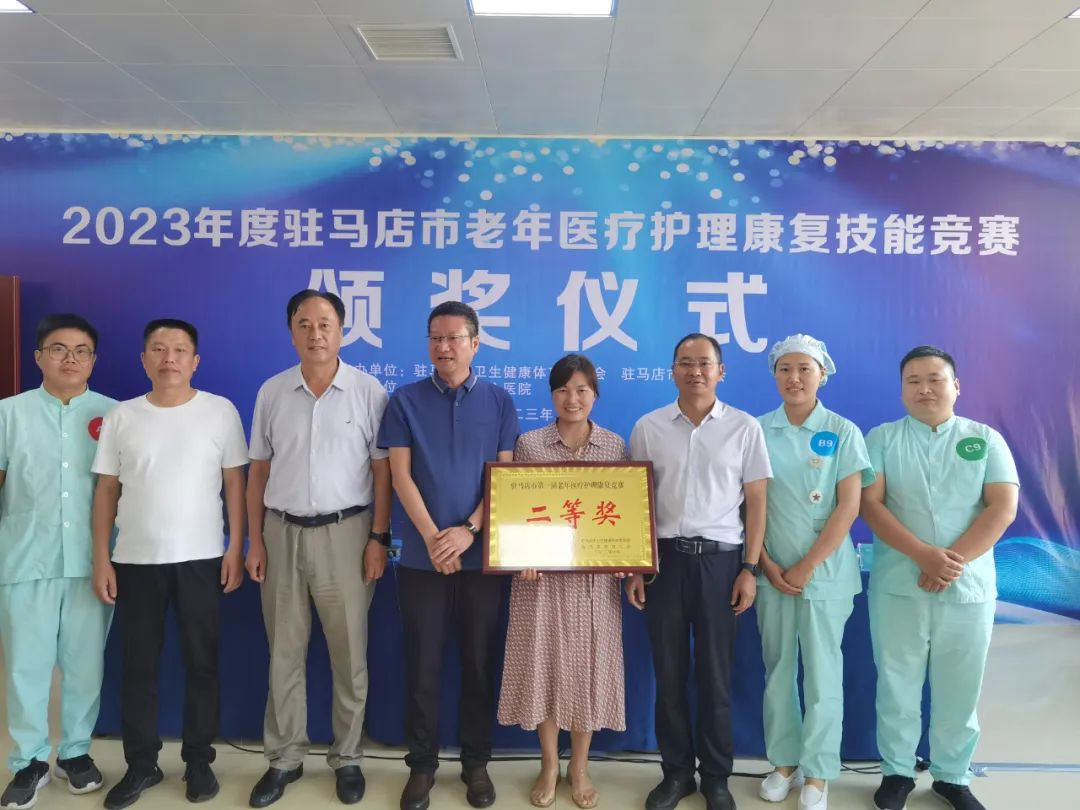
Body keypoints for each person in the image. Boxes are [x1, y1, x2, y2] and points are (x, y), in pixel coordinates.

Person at [91, 319, 247, 809]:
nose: (169, 358)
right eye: (158, 349)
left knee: (202, 664)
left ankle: (199, 761)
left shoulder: (219, 411)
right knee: (138, 668)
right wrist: (102, 558)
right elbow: (106, 490)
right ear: (144, 360)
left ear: (195, 361)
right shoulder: (122, 416)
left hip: (202, 558)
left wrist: (236, 547)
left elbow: (235, 484)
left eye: (179, 350)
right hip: (135, 560)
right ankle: (142, 765)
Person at [246, 290, 392, 808]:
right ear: (291, 332)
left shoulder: (368, 391)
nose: (315, 334)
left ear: (342, 330)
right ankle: (284, 758)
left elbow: (382, 473)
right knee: (284, 652)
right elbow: (258, 470)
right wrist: (254, 540)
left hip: (347, 534)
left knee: (349, 652)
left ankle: (347, 756)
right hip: (280, 532)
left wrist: (378, 538)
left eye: (325, 323)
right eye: (304, 324)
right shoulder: (272, 391)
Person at [861, 346, 1018, 810]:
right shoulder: (882, 439)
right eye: (913, 381)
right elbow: (870, 504)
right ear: (902, 390)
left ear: (956, 386)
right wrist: (922, 556)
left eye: (935, 379)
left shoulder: (985, 439)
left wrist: (951, 563)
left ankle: (952, 776)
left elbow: (1002, 507)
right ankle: (897, 772)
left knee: (961, 685)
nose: (924, 389)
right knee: (897, 682)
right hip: (899, 584)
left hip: (968, 588)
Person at [377, 301, 519, 810]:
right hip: (421, 560)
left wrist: (468, 531)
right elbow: (399, 475)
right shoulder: (404, 400)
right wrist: (436, 538)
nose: (444, 347)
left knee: (479, 664)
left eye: (454, 338)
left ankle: (476, 764)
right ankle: (422, 767)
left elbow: (504, 477)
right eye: (435, 337)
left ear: (475, 344)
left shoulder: (500, 402)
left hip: (482, 560)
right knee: (423, 665)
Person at [626, 332, 771, 810]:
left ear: (720, 371)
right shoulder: (648, 427)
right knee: (668, 675)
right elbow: (636, 501)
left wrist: (749, 568)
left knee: (715, 677)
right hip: (664, 563)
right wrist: (635, 567)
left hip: (721, 563)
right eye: (685, 362)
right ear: (672, 370)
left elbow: (757, 503)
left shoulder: (744, 427)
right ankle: (675, 774)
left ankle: (715, 777)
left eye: (704, 363)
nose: (695, 371)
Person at [497, 354, 628, 810]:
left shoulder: (614, 446)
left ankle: (581, 766)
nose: (572, 399)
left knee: (589, 667)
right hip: (540, 580)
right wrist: (520, 556)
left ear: (595, 395)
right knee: (544, 665)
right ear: (551, 394)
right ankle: (550, 764)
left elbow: (623, 516)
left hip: (594, 582)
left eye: (581, 390)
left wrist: (625, 558)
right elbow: (515, 510)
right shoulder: (529, 445)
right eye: (562, 390)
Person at [0, 314, 115, 810]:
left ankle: (75, 753)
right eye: (59, 349)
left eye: (81, 350)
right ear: (38, 357)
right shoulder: (9, 414)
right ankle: (27, 761)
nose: (71, 359)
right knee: (25, 668)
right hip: (24, 559)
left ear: (94, 359)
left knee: (85, 666)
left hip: (93, 563)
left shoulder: (115, 415)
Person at [754, 335, 874, 810]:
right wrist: (765, 563)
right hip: (771, 573)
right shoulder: (757, 430)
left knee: (823, 674)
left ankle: (819, 771)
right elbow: (748, 505)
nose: (794, 378)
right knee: (778, 670)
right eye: (785, 369)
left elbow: (849, 507)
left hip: (825, 575)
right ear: (774, 375)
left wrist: (806, 566)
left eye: (805, 369)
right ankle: (784, 763)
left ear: (823, 374)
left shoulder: (843, 431)